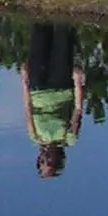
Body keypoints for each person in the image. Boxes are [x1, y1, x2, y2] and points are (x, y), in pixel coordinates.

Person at [21, 22, 86, 178]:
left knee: (39, 37)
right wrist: (77, 82)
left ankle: (41, 11)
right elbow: (78, 109)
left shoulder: (35, 136)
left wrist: (24, 81)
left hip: (37, 87)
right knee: (62, 39)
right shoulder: (68, 138)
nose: (46, 159)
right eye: (50, 163)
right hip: (61, 86)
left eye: (42, 162)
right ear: (59, 160)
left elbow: (28, 108)